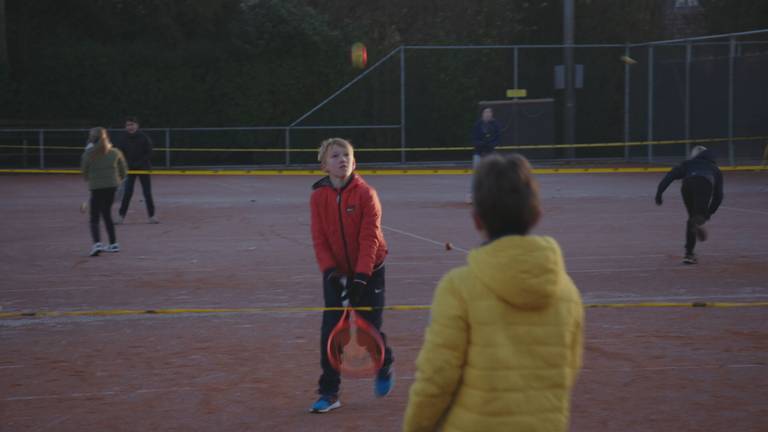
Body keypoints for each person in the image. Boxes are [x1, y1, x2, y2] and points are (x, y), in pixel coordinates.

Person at [403, 153, 584, 432]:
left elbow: (436, 378)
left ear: (477, 220)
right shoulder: (567, 292)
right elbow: (568, 370)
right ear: (536, 214)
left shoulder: (457, 287)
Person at [309, 138, 394, 413]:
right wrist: (330, 272)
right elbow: (319, 238)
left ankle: (384, 364)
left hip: (370, 271)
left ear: (354, 161)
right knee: (331, 334)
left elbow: (369, 238)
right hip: (336, 273)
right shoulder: (318, 197)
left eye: (346, 155)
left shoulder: (366, 194)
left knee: (369, 329)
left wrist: (360, 277)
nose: (342, 160)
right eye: (335, 156)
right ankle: (329, 392)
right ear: (324, 165)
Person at [655, 146, 724, 264]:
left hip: (687, 185)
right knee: (697, 219)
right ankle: (698, 222)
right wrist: (709, 213)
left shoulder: (688, 163)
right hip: (705, 183)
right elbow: (718, 196)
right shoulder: (715, 169)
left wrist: (659, 193)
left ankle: (689, 254)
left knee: (692, 218)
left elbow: (670, 176)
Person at [81, 127, 128, 257]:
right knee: (107, 214)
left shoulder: (88, 153)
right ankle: (113, 244)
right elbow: (124, 171)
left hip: (96, 187)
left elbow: (84, 173)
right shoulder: (115, 152)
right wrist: (117, 180)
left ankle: (97, 244)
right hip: (112, 186)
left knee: (94, 217)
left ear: (91, 138)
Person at [115, 117, 158, 224]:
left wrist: (140, 162)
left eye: (132, 124)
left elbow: (150, 152)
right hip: (129, 169)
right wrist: (126, 164)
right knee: (127, 193)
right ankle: (121, 216)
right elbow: (119, 153)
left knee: (147, 193)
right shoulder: (122, 138)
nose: (130, 127)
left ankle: (152, 216)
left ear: (137, 125)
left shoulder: (144, 137)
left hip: (143, 168)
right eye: (128, 125)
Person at [467, 107, 501, 203]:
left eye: (489, 112)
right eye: (486, 112)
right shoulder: (477, 125)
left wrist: (491, 144)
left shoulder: (496, 125)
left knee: (492, 174)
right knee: (476, 174)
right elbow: (473, 139)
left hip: (490, 153)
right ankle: (472, 195)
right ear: (482, 114)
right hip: (478, 153)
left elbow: (498, 139)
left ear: (492, 114)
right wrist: (482, 144)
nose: (487, 114)